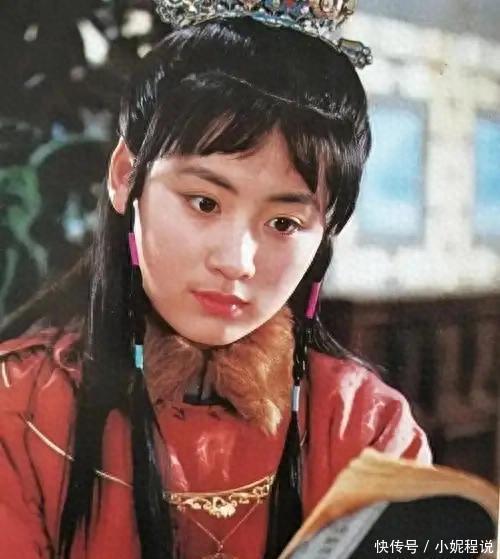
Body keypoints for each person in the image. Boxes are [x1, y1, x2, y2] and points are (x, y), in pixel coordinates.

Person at [0, 5, 431, 559]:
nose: (237, 261)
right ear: (126, 176)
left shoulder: (365, 425)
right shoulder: (18, 406)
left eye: (284, 223)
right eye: (204, 202)